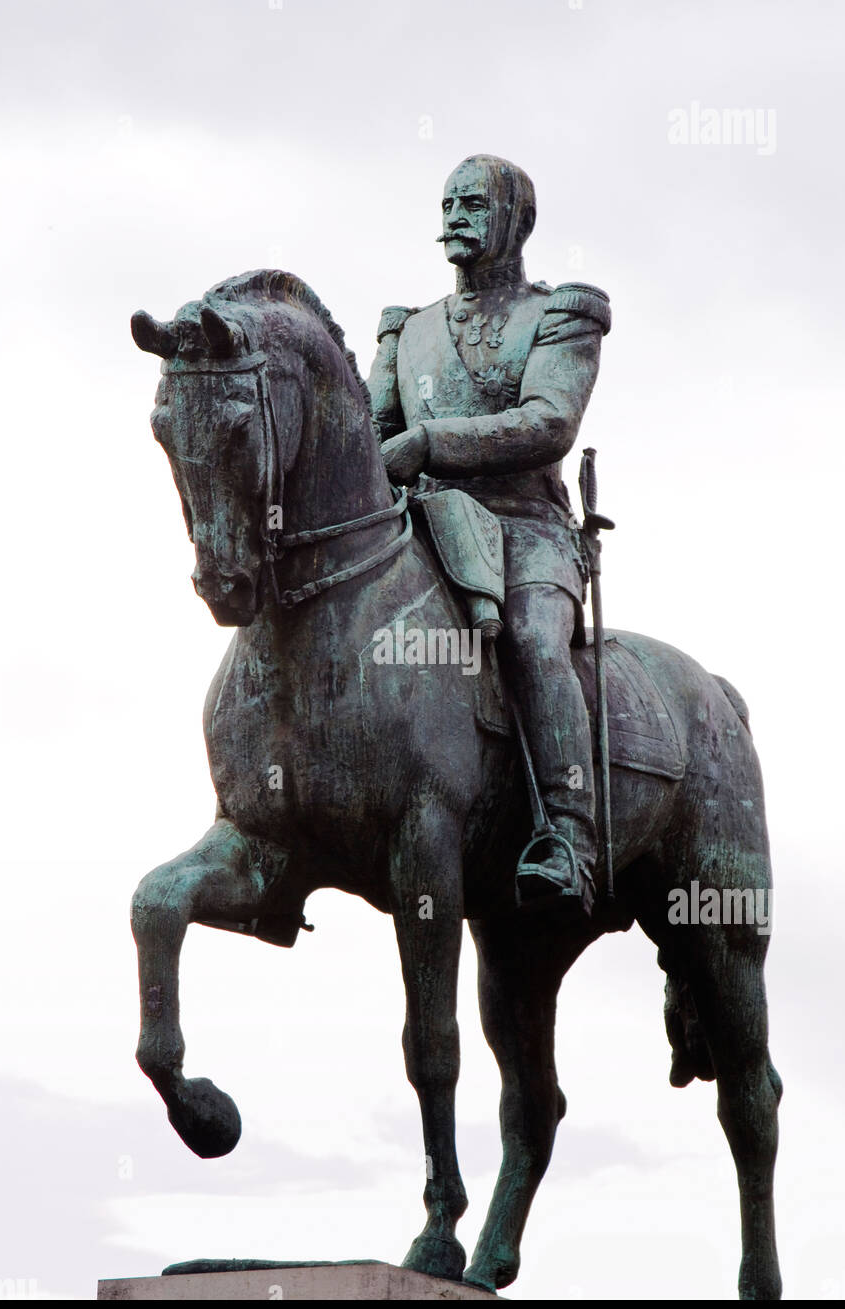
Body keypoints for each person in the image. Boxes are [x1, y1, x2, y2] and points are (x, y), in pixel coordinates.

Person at [366, 153, 611, 913]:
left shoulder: (559, 315)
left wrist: (433, 444)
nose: (455, 217)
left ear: (518, 221)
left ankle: (569, 836)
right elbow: (372, 436)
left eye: (473, 204)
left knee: (537, 642)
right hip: (427, 525)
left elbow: (549, 423)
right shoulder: (407, 331)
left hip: (526, 528)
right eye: (447, 204)